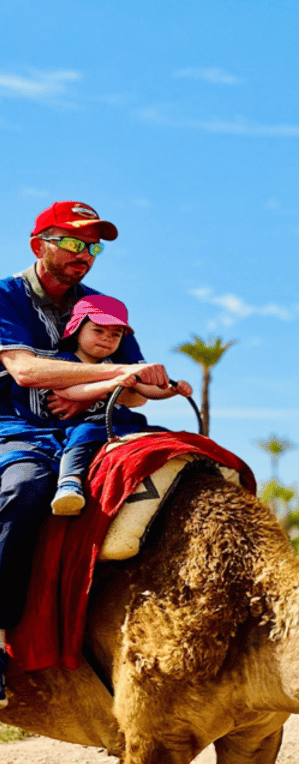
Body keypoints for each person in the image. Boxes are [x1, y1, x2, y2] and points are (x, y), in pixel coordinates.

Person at [0, 201, 181, 700]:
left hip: (94, 425)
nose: (86, 254)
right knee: (25, 490)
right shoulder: (6, 297)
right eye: (73, 242)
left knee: (177, 468)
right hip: (16, 426)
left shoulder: (105, 307)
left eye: (93, 245)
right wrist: (116, 375)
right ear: (39, 245)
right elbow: (26, 371)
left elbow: (138, 388)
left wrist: (154, 380)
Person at [49, 295, 192, 515]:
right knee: (84, 435)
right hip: (84, 423)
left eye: (115, 335)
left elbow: (146, 389)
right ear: (78, 330)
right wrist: (111, 384)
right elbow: (68, 391)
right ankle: (69, 481)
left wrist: (172, 390)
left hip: (123, 423)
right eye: (98, 331)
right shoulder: (65, 363)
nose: (107, 338)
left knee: (162, 436)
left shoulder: (119, 366)